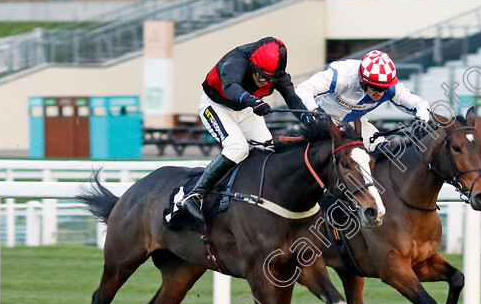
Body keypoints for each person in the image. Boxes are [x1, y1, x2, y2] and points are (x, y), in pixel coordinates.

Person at [177, 38, 311, 222]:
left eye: (270, 79)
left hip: (245, 110)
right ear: (252, 65)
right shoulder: (234, 62)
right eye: (261, 77)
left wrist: (309, 119)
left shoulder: (276, 75)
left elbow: (293, 100)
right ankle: (195, 195)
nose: (265, 83)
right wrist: (253, 101)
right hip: (215, 106)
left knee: (266, 150)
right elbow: (231, 86)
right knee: (237, 148)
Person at [294, 50, 431, 150]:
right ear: (361, 79)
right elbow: (302, 90)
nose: (380, 93)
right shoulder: (342, 75)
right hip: (326, 123)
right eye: (375, 87)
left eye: (384, 88)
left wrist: (421, 121)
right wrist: (316, 113)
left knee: (384, 150)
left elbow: (421, 105)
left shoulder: (392, 88)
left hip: (356, 124)